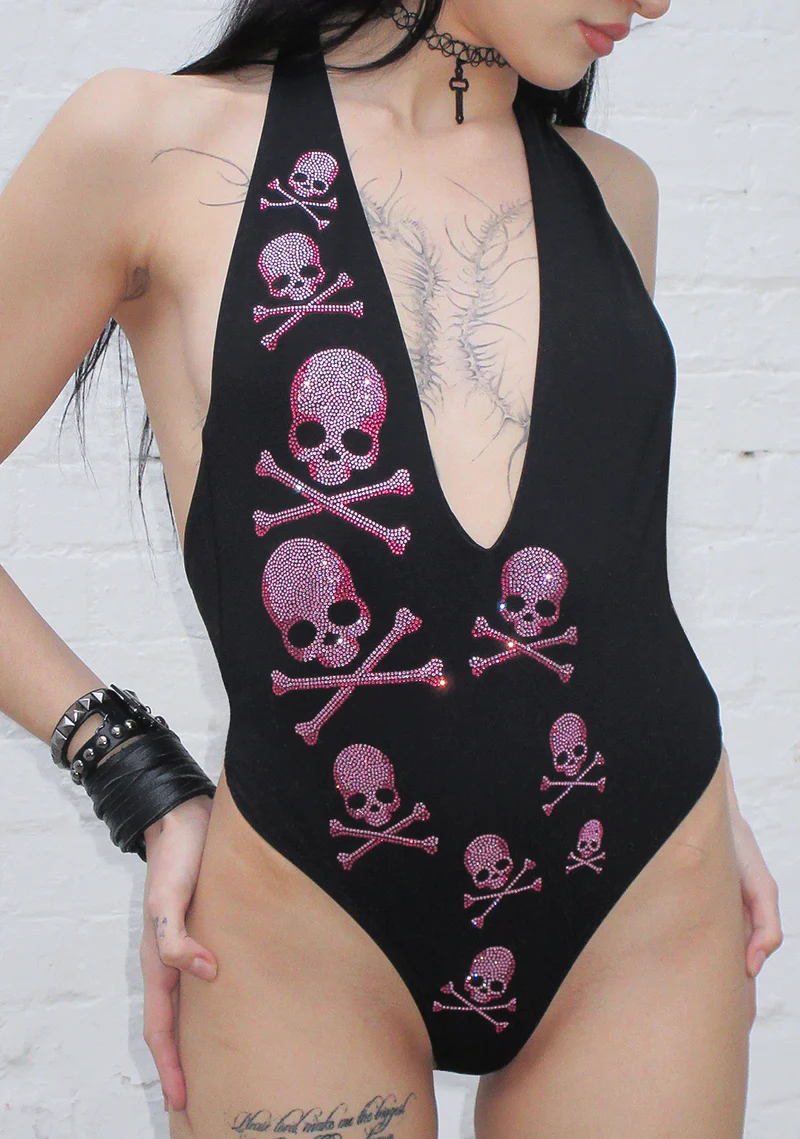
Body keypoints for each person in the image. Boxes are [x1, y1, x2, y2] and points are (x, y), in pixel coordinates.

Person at [0, 2, 785, 1136]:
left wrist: (710, 797)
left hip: (646, 887)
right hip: (307, 918)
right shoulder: (152, 146)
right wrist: (131, 771)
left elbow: (600, 555)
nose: (658, 0)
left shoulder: (610, 190)